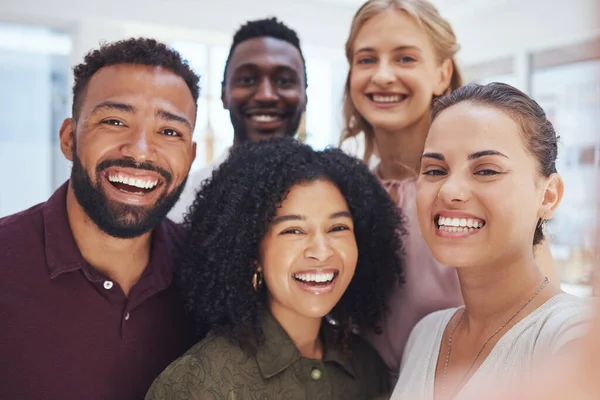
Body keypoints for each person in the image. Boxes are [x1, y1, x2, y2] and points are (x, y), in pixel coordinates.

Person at [339, 0, 558, 379]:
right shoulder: (342, 194)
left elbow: (539, 323)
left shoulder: (482, 203)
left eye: (405, 59)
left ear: (442, 74)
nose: (383, 75)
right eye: (367, 59)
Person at [0, 38, 199, 400]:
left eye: (169, 131)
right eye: (114, 120)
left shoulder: (208, 274)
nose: (140, 150)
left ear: (191, 154)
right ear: (68, 139)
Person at [146, 138, 405, 399]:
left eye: (337, 228)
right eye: (293, 230)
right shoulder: (200, 381)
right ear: (252, 253)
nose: (321, 251)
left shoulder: (368, 368)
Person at [391, 82, 590, 400]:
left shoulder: (572, 338)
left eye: (485, 171)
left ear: (548, 196)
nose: (449, 191)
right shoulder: (425, 334)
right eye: (435, 170)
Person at [168, 17, 308, 222]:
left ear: (305, 96)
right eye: (248, 80)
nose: (266, 95)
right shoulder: (180, 203)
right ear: (224, 94)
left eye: (284, 81)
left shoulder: (337, 195)